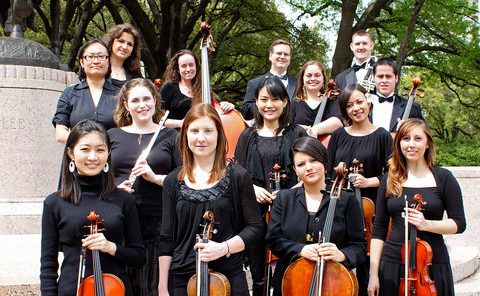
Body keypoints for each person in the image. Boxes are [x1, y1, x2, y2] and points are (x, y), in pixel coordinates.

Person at [158, 104, 263, 295]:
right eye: (194, 131)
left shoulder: (238, 176)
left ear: (218, 135)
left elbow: (255, 228)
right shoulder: (173, 180)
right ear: (185, 135)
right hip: (182, 278)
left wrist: (224, 248)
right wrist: (162, 287)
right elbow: (166, 238)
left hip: (228, 277)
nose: (201, 138)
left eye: (208, 131)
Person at [40, 119, 146, 296]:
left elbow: (139, 257)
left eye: (100, 150)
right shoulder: (54, 203)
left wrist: (110, 247)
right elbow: (48, 266)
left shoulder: (124, 200)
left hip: (115, 291)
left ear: (108, 153)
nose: (93, 157)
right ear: (71, 153)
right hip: (71, 290)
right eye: (85, 149)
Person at [368, 118, 467, 296]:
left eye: (417, 139)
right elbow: (379, 230)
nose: (411, 144)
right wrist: (373, 274)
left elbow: (459, 224)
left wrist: (426, 224)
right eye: (405, 139)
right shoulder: (389, 179)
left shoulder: (444, 178)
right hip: (392, 263)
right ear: (398, 144)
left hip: (431, 265)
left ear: (427, 143)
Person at [265, 136, 367, 295]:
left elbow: (359, 247)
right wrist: (300, 250)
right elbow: (273, 240)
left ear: (324, 162)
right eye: (301, 164)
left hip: (333, 285)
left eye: (313, 160)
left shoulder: (347, 200)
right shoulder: (284, 199)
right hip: (291, 285)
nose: (308, 167)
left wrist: (341, 254)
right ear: (295, 170)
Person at [235, 76, 307, 296]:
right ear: (256, 102)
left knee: (289, 270)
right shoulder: (247, 135)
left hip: (291, 209)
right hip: (255, 211)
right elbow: (237, 173)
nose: (269, 105)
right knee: (259, 274)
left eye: (275, 99)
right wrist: (252, 189)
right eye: (264, 99)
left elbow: (309, 172)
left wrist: (288, 193)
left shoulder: (297, 133)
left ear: (285, 102)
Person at [109, 78, 181, 295]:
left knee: (153, 285)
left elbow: (185, 179)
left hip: (158, 222)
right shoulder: (112, 135)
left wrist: (155, 177)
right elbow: (101, 177)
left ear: (155, 101)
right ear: (126, 104)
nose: (142, 105)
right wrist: (114, 189)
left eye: (147, 99)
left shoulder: (171, 136)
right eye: (135, 100)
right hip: (120, 220)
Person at [327, 83, 393, 296]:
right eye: (349, 105)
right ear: (344, 110)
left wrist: (370, 181)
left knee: (368, 271)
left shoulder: (382, 136)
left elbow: (396, 174)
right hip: (340, 208)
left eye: (359, 102)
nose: (355, 108)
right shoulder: (338, 136)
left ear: (368, 103)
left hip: (370, 211)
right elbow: (328, 173)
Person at [53, 39, 118, 144]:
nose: (96, 61)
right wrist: (90, 144)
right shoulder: (69, 94)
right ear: (82, 62)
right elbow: (60, 134)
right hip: (79, 156)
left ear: (109, 61)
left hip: (114, 156)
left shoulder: (121, 94)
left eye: (101, 57)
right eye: (90, 57)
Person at [160, 49, 234, 129]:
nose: (188, 69)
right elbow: (157, 118)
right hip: (175, 137)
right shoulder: (169, 88)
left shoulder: (203, 89)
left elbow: (216, 108)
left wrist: (226, 105)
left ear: (196, 66)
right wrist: (180, 123)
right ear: (178, 69)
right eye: (184, 66)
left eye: (191, 65)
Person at [242, 39, 297, 121]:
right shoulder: (255, 83)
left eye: (286, 54)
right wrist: (265, 103)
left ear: (290, 59)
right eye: (279, 53)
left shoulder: (298, 83)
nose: (282, 57)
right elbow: (246, 113)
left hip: (293, 131)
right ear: (270, 56)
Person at [291, 60, 343, 138]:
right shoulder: (295, 102)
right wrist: (301, 129)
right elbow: (287, 126)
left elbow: (337, 122)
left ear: (323, 78)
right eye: (309, 75)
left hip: (326, 148)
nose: (313, 78)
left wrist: (314, 130)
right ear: (302, 79)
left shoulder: (332, 100)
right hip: (299, 147)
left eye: (317, 75)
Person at [371, 58, 424, 133]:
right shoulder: (364, 105)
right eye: (380, 76)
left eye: (388, 76)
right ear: (373, 78)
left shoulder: (412, 108)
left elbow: (422, 136)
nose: (384, 81)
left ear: (396, 78)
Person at [102, 23, 143, 88]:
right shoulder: (98, 67)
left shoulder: (135, 74)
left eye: (130, 44)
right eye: (121, 41)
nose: (124, 47)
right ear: (111, 42)